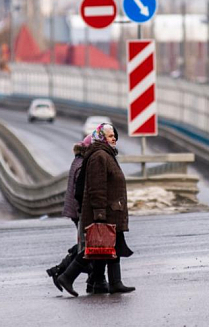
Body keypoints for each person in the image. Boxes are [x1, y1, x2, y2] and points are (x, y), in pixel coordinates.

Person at [57, 123, 135, 297]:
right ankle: (67, 277)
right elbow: (96, 188)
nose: (114, 137)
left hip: (111, 210)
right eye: (109, 136)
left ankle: (109, 282)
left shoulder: (105, 154)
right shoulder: (99, 156)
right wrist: (99, 214)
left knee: (109, 247)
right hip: (104, 212)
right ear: (101, 137)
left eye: (114, 135)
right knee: (95, 248)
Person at [47, 135, 106, 294]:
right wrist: (85, 213)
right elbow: (81, 192)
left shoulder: (79, 160)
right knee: (90, 247)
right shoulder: (83, 164)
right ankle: (62, 272)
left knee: (89, 245)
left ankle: (93, 280)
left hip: (77, 211)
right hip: (81, 211)